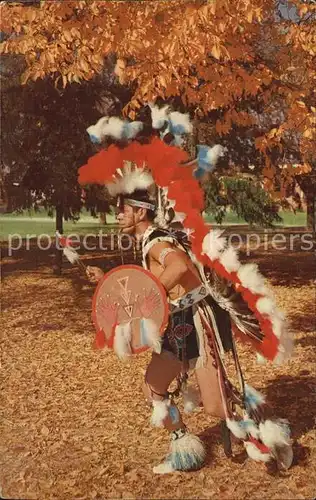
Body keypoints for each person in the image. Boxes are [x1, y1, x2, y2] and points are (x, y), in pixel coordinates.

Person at [86, 187, 293, 474]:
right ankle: (184, 449)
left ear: (140, 211)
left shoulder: (157, 241)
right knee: (153, 386)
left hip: (197, 321)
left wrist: (153, 297)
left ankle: (266, 434)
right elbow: (150, 280)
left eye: (123, 209)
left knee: (214, 405)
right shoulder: (149, 240)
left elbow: (179, 266)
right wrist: (106, 279)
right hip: (177, 323)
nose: (117, 214)